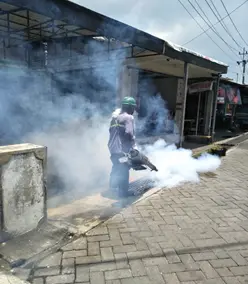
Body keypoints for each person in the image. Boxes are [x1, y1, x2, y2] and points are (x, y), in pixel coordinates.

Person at [108, 96, 137, 197]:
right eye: (133, 108)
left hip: (112, 149)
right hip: (122, 150)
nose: (133, 110)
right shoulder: (128, 117)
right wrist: (134, 148)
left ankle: (112, 188)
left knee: (116, 166)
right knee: (124, 169)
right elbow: (129, 133)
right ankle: (123, 193)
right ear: (129, 107)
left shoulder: (114, 118)